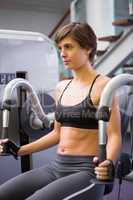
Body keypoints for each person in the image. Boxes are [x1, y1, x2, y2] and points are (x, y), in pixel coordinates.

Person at [0, 22, 121, 200]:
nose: (63, 53)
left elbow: (115, 135)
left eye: (69, 47)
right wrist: (19, 150)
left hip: (87, 170)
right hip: (57, 166)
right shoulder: (61, 87)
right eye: (60, 48)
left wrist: (108, 162)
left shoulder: (104, 86)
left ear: (88, 48)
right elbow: (57, 134)